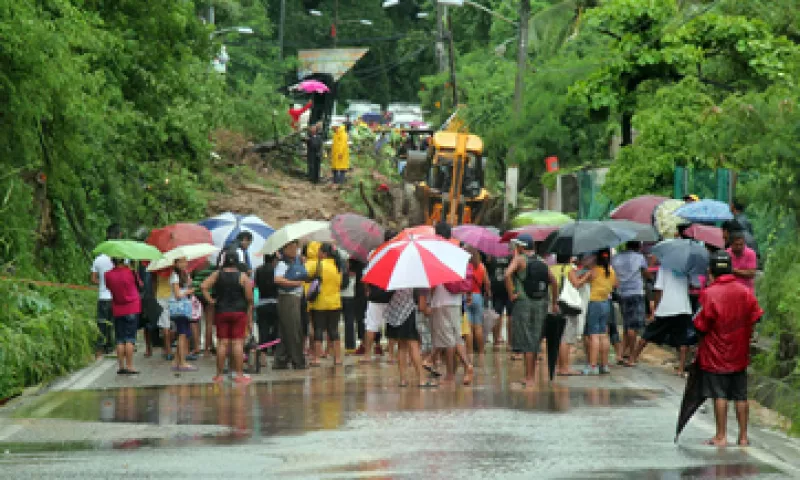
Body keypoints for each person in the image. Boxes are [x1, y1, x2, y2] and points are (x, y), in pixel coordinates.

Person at [693, 251, 763, 447]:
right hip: (739, 351)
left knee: (720, 395)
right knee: (741, 395)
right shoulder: (744, 292)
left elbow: (701, 325)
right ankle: (743, 437)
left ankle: (721, 436)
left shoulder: (709, 294)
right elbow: (756, 316)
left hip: (716, 354)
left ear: (711, 271)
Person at [505, 234, 558, 387]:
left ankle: (529, 377)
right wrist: (554, 302)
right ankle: (531, 376)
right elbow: (553, 282)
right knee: (535, 339)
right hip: (541, 303)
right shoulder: (542, 261)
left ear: (522, 247)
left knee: (527, 339)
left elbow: (507, 275)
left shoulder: (520, 259)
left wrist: (511, 294)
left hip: (524, 302)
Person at [628, 265, 694, 375]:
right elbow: (691, 285)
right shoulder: (686, 268)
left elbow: (659, 289)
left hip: (666, 306)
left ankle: (633, 359)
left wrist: (656, 308)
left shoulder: (664, 267)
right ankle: (681, 369)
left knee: (648, 333)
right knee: (682, 339)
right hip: (683, 307)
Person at [201, 252, 254, 384]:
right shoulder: (243, 276)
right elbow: (249, 298)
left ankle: (219, 375)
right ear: (236, 261)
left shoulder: (217, 274)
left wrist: (211, 301)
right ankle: (239, 375)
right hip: (239, 312)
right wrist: (249, 312)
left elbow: (203, 286)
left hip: (221, 311)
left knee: (222, 343)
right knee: (237, 343)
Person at [387, 289, 437, 388]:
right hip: (407, 313)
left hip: (395, 312)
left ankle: (403, 380)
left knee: (401, 346)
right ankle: (422, 379)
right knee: (414, 346)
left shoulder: (394, 278)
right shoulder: (411, 279)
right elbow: (419, 299)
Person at [551, 254, 590, 376]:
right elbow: (576, 284)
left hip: (555, 304)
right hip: (567, 306)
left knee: (557, 337)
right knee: (566, 339)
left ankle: (557, 366)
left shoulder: (552, 268)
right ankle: (564, 368)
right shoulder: (569, 269)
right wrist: (587, 276)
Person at [611, 241, 650, 363]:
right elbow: (646, 273)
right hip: (636, 293)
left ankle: (622, 353)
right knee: (633, 327)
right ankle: (632, 356)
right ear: (638, 246)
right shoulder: (639, 257)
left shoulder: (616, 257)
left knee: (627, 324)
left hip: (622, 293)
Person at [306, 242, 343, 366]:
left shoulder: (318, 265)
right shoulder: (338, 266)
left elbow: (305, 275)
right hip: (335, 302)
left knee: (319, 329)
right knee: (334, 330)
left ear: (324, 253)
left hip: (320, 303)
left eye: (319, 251)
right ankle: (337, 358)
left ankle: (316, 358)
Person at [272, 240, 308, 370]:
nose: (294, 250)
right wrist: (294, 283)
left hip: (297, 298)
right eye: (291, 248)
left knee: (287, 330)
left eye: (295, 247)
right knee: (293, 330)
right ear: (285, 249)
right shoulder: (282, 263)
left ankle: (281, 360)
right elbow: (277, 279)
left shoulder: (298, 261)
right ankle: (298, 361)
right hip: (287, 298)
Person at [104, 258, 142, 375]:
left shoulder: (108, 275)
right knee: (130, 339)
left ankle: (121, 366)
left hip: (118, 308)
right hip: (132, 307)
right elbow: (140, 285)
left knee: (120, 339)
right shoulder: (131, 272)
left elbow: (109, 288)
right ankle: (130, 366)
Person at [583, 249, 618, 375]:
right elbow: (615, 284)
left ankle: (592, 366)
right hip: (605, 303)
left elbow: (582, 281)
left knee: (593, 335)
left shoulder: (594, 271)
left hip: (594, 303)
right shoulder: (611, 270)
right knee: (603, 334)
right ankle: (604, 365)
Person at [91, 224, 121, 359]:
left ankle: (100, 348)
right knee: (113, 323)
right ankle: (111, 346)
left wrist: (102, 283)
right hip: (115, 297)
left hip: (103, 297)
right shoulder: (119, 259)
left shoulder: (98, 259)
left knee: (102, 323)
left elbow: (93, 279)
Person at [170, 257, 198, 371]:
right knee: (182, 334)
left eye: (185, 261)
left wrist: (188, 284)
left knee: (184, 333)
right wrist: (188, 291)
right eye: (181, 261)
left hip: (184, 308)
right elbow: (177, 294)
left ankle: (176, 361)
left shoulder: (183, 275)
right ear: (175, 263)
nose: (184, 264)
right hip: (179, 308)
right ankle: (182, 362)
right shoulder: (174, 275)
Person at [465, 246, 491, 361]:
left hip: (466, 296)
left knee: (468, 328)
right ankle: (481, 352)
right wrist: (487, 292)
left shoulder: (465, 266)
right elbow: (487, 283)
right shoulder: (481, 266)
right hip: (478, 296)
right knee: (478, 327)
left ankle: (469, 353)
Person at [254, 254, 280, 365]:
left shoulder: (258, 270)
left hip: (262, 303)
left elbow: (255, 285)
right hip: (274, 303)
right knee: (275, 328)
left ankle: (263, 356)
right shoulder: (275, 271)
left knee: (263, 329)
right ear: (273, 260)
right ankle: (274, 352)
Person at [488, 251, 512, 346]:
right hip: (509, 288)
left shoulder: (492, 255)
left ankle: (496, 341)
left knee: (497, 315)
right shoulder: (512, 256)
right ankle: (510, 342)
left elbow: (488, 270)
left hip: (496, 288)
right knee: (510, 316)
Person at [342, 257, 358, 353]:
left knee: (348, 322)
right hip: (350, 297)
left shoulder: (338, 270)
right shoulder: (355, 273)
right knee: (349, 322)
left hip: (339, 297)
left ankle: (331, 348)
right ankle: (350, 346)